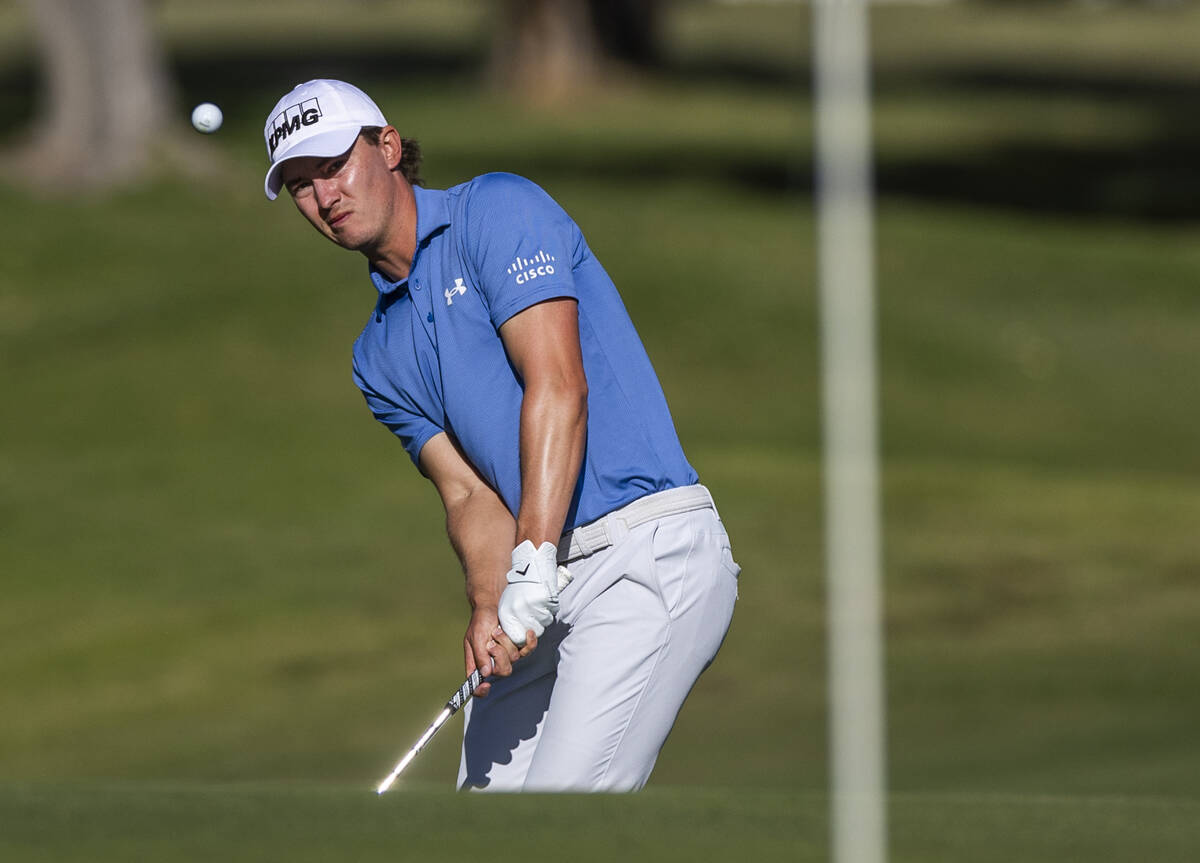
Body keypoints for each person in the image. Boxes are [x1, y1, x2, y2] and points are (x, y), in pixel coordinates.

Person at [263, 79, 739, 792]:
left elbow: (558, 386)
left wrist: (535, 559)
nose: (324, 196)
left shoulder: (497, 209)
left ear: (388, 146)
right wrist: (491, 604)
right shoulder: (377, 355)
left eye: (333, 166)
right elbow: (467, 493)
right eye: (301, 185)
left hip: (645, 550)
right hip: (538, 579)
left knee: (553, 824)